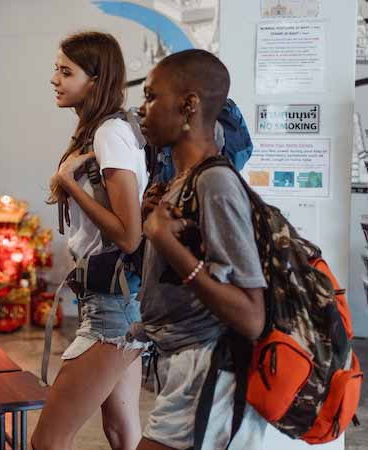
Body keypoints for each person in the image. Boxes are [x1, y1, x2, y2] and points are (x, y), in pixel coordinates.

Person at [135, 49, 268, 450]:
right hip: (184, 367)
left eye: (151, 96)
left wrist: (165, 243)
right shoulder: (182, 182)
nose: (142, 110)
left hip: (212, 371)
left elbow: (251, 317)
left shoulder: (216, 184)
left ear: (189, 104)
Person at [31, 31, 148, 450]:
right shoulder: (102, 129)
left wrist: (68, 183)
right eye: (56, 70)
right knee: (121, 431)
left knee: (48, 441)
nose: (54, 79)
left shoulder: (109, 134)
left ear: (95, 80)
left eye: (66, 71)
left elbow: (129, 234)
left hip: (111, 310)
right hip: (114, 300)